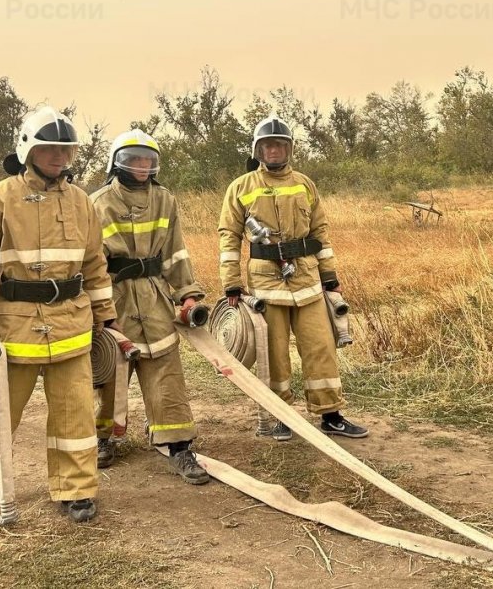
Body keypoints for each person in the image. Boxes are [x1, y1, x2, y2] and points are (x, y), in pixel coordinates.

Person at [0, 106, 115, 523]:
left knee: (75, 412)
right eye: (49, 149)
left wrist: (105, 315)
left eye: (65, 150)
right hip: (17, 322)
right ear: (29, 149)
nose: (58, 157)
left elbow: (95, 262)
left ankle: (76, 490)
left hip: (73, 322)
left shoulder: (81, 201)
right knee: (1, 408)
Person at [219, 116, 368, 442]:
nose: (274, 150)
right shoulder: (240, 188)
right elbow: (229, 236)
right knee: (275, 354)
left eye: (280, 145)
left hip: (308, 281)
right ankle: (281, 416)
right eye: (268, 145)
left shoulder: (304, 183)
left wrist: (330, 278)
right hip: (266, 285)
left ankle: (330, 415)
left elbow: (320, 233)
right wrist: (231, 283)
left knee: (321, 348)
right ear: (258, 150)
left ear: (289, 149)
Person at [90, 129, 209, 484]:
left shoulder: (165, 200)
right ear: (117, 163)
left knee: (165, 371)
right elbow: (91, 263)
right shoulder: (97, 203)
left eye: (147, 160)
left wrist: (187, 294)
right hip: (117, 296)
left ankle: (178, 447)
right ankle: (104, 438)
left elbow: (175, 251)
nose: (142, 166)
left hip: (156, 296)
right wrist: (100, 310)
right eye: (133, 159)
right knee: (110, 371)